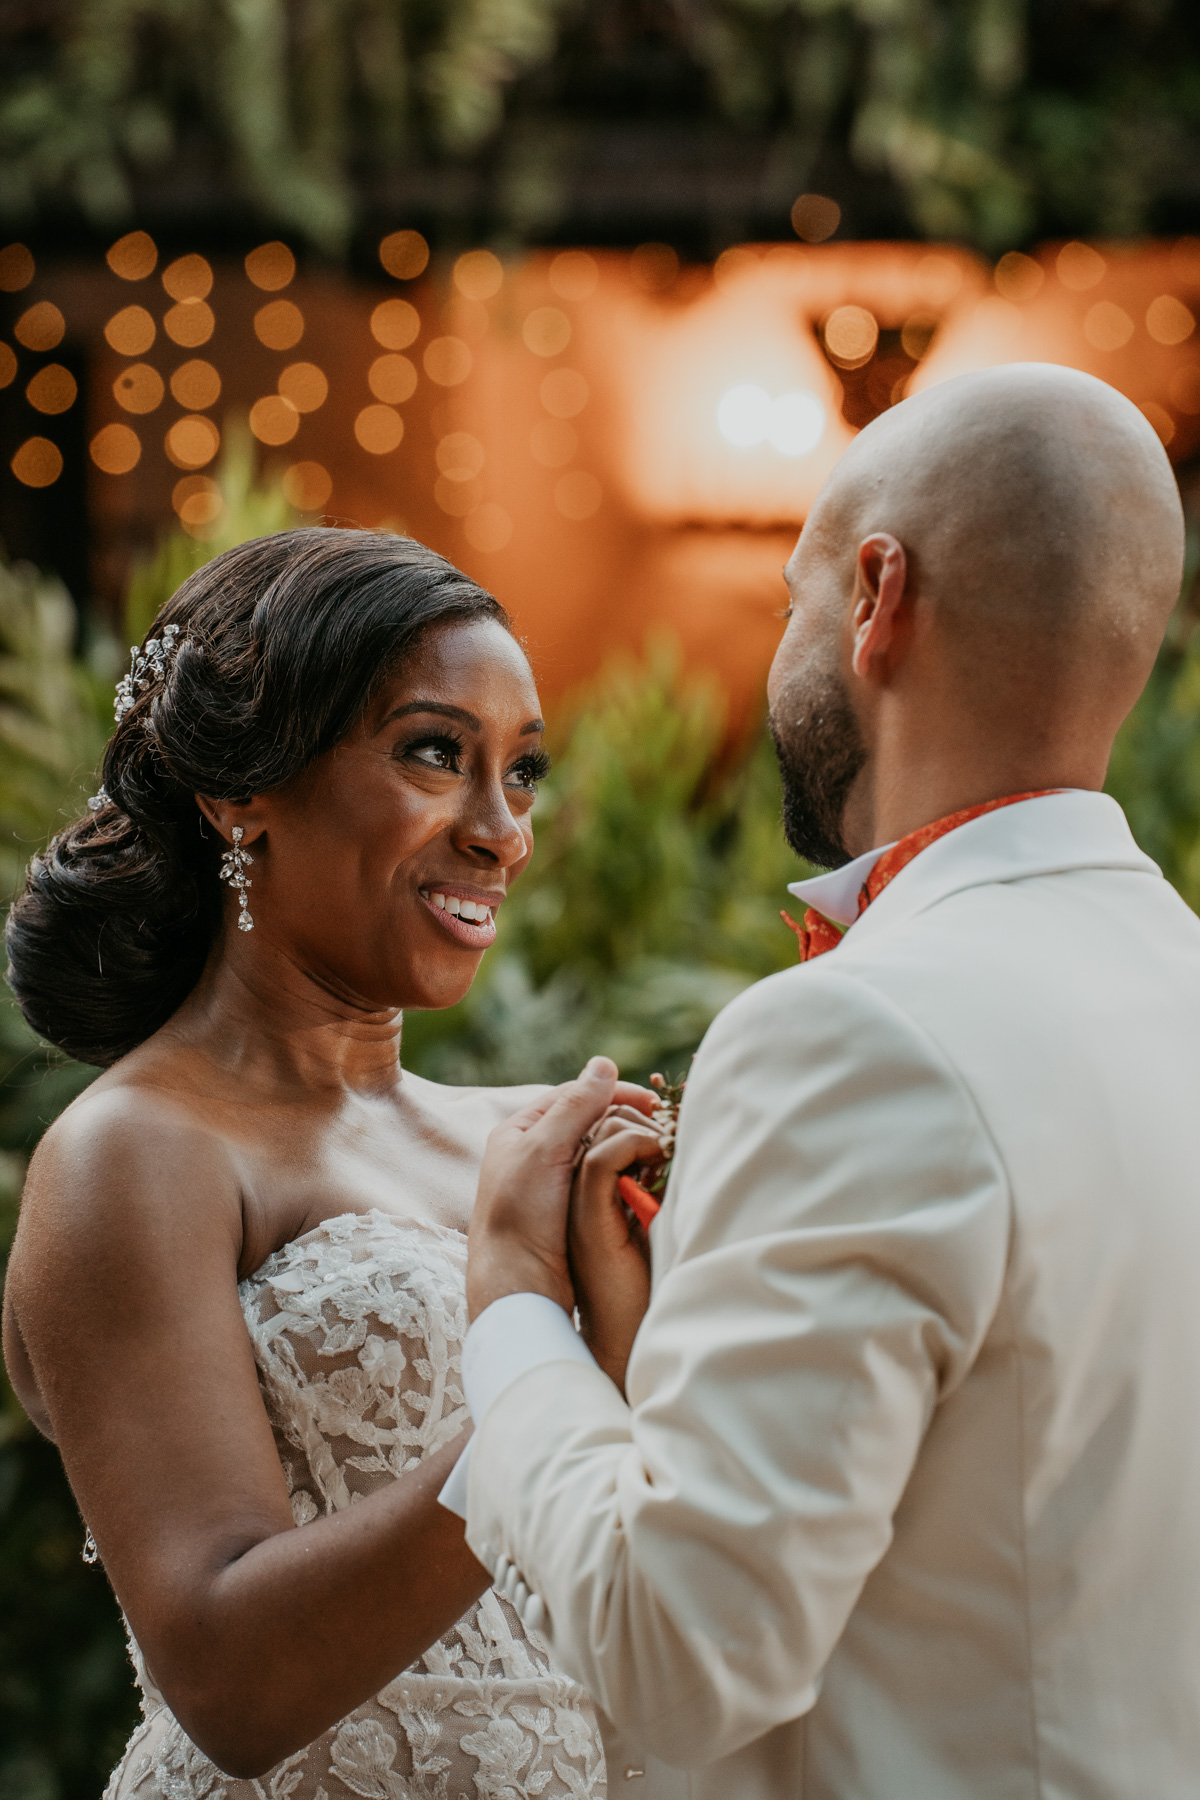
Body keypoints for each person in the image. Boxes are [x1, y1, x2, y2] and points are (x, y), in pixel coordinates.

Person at [451, 364, 1200, 1798]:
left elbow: (678, 1655)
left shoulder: (857, 1033)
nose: (782, 640)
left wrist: (514, 1315)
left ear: (876, 596)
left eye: (793, 596)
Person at [1, 528, 619, 1800]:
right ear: (240, 791)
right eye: (435, 754)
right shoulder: (137, 1155)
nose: (501, 832)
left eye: (525, 771)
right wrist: (560, 1368)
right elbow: (231, 1679)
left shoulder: (533, 1136)